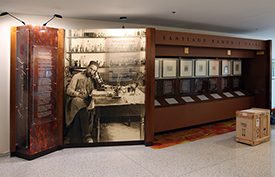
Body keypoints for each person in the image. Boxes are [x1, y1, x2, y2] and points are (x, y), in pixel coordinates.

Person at [65, 60, 104, 144]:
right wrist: (78, 94)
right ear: (87, 67)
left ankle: (74, 139)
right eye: (91, 69)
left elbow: (101, 88)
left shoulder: (93, 78)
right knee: (79, 103)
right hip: (75, 100)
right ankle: (87, 135)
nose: (91, 71)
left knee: (81, 112)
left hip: (87, 101)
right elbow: (69, 90)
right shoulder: (77, 76)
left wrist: (97, 80)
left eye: (94, 70)